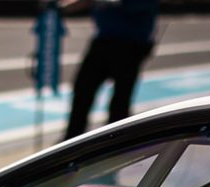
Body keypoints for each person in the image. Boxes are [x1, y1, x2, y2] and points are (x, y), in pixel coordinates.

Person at [63, 0, 159, 141]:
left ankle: (115, 141)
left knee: (120, 99)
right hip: (104, 39)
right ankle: (72, 139)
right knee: (83, 90)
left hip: (131, 43)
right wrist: (59, 8)